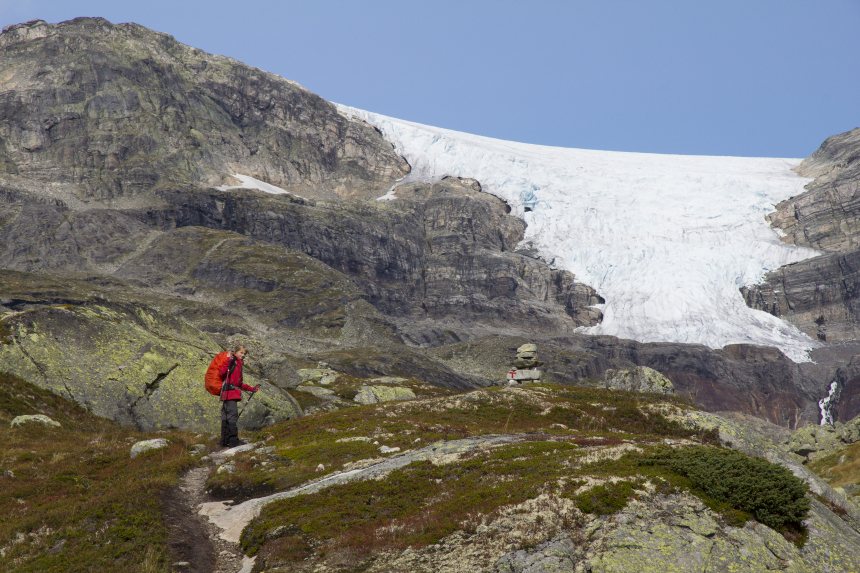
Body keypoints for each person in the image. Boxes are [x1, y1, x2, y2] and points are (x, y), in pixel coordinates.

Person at [218, 344, 259, 447]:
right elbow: (221, 373)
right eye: (241, 352)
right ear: (235, 352)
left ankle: (224, 441)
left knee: (226, 417)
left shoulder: (238, 364)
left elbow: (239, 384)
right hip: (230, 394)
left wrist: (252, 389)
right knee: (232, 416)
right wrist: (229, 361)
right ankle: (233, 441)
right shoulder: (232, 361)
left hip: (228, 394)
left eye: (244, 354)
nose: (243, 355)